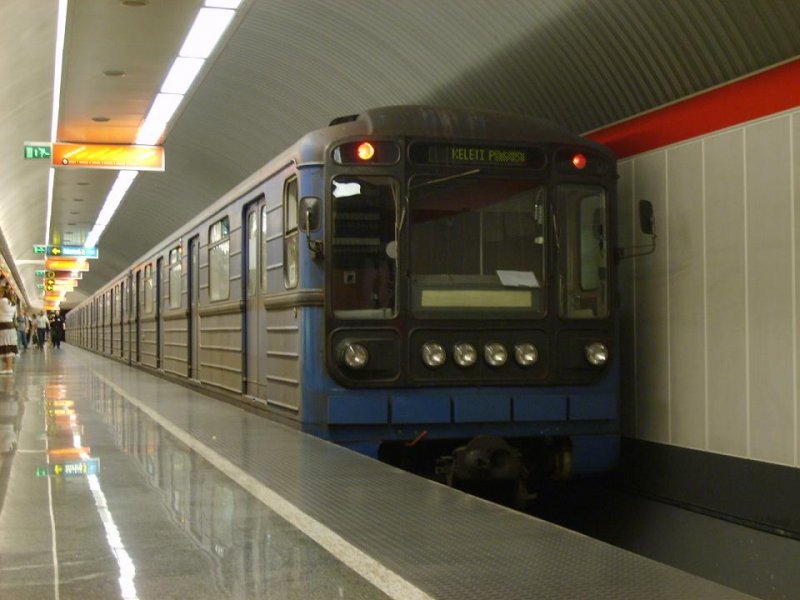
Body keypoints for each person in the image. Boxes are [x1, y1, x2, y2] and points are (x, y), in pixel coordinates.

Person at [0, 288, 18, 374]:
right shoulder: (13, 304)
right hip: (11, 326)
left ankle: (8, 368)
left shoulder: (3, 301)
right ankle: (8, 367)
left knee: (6, 345)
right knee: (9, 346)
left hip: (4, 326)